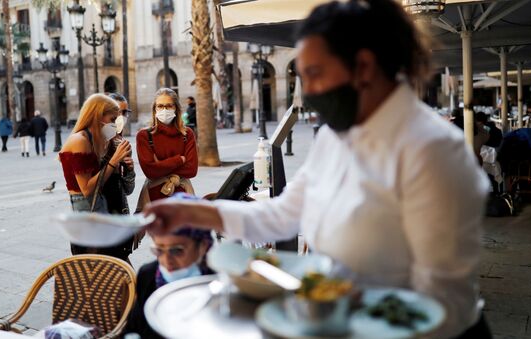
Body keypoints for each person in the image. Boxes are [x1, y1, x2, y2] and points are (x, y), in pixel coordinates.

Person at [143, 1, 491, 338]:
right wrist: (192, 212)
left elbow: (443, 303)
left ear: (364, 66)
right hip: (335, 320)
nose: (306, 91)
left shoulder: (433, 151)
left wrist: (344, 306)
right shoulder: (334, 137)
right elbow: (281, 215)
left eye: (313, 74)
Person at [123, 195, 214, 338]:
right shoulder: (148, 275)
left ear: (202, 246)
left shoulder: (219, 284)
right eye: (159, 250)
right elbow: (134, 328)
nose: (166, 260)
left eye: (177, 250)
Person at [58, 93, 132, 256]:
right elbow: (87, 189)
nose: (115, 124)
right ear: (98, 116)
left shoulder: (93, 141)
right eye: (112, 119)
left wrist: (126, 167)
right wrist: (114, 160)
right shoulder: (80, 140)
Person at [135, 88, 198, 208]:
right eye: (160, 106)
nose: (164, 110)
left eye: (169, 106)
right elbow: (150, 171)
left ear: (176, 108)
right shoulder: (144, 136)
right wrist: (180, 160)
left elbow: (192, 169)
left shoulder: (187, 134)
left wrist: (160, 165)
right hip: (154, 196)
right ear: (154, 109)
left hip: (183, 194)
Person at [97, 92, 137, 263]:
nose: (120, 118)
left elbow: (127, 190)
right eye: (116, 113)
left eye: (124, 113)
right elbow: (90, 188)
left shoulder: (122, 143)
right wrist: (113, 160)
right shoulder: (93, 142)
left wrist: (129, 170)